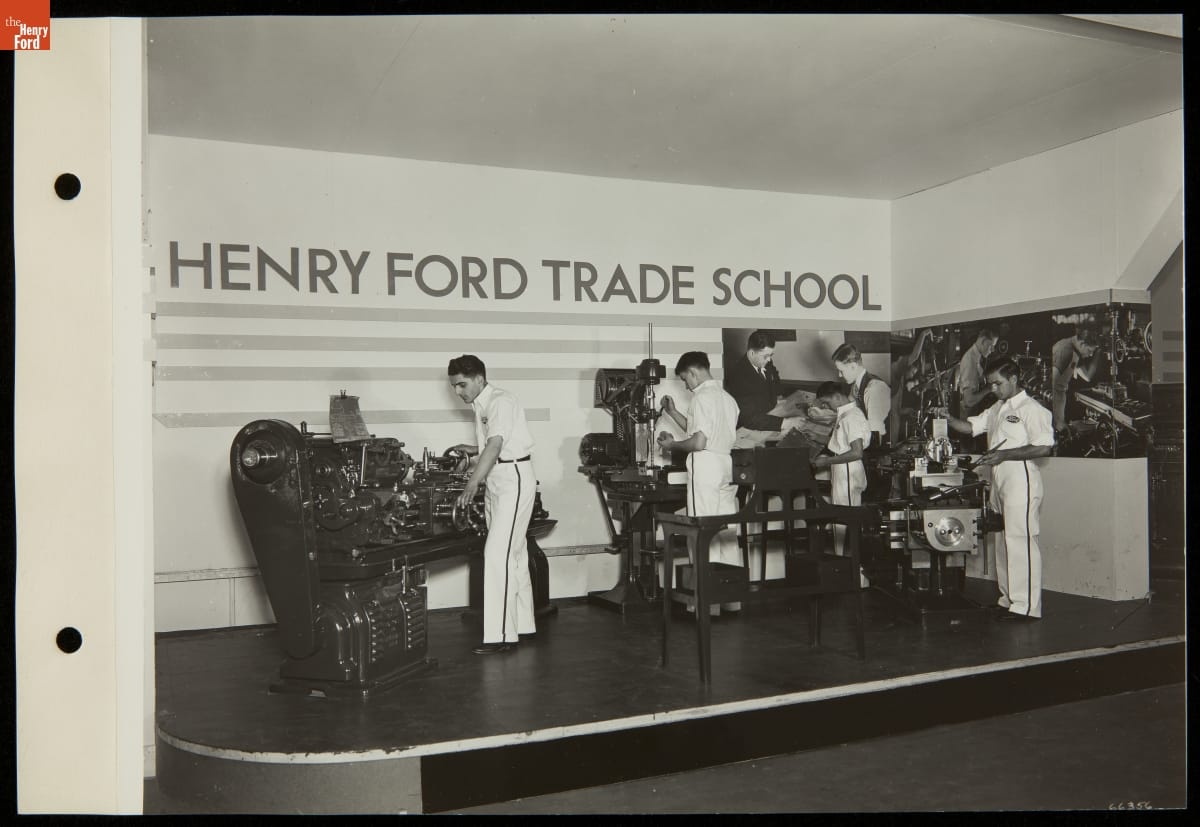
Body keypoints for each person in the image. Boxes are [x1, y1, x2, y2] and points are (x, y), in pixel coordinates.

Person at [937, 358, 1054, 621]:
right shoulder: (997, 408)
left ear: (1014, 379)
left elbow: (1044, 446)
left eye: (998, 384)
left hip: (1021, 480)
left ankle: (1026, 606)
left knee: (1020, 541)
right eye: (990, 384)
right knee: (1002, 541)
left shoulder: (1031, 409)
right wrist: (949, 418)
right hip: (1000, 481)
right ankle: (1008, 600)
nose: (993, 389)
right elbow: (971, 427)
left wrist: (1004, 454)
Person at [448, 355, 536, 655]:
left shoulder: (500, 401)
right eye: (454, 386)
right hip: (498, 478)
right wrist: (474, 450)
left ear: (479, 379)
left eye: (462, 385)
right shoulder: (481, 404)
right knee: (515, 554)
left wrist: (472, 482)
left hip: (512, 478)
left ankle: (500, 635)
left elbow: (497, 445)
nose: (457, 392)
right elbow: (496, 443)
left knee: (497, 554)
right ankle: (523, 624)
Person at [657, 351, 742, 615]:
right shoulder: (727, 399)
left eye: (685, 379)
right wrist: (673, 413)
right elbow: (701, 430)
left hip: (706, 467)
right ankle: (730, 600)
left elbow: (699, 442)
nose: (685, 385)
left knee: (702, 531)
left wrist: (672, 445)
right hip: (726, 465)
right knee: (726, 532)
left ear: (693, 372)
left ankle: (706, 604)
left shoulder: (701, 398)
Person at [809, 381, 871, 582]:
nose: (826, 407)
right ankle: (842, 569)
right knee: (840, 521)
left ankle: (855, 573)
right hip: (843, 469)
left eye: (827, 403)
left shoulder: (851, 417)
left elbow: (856, 452)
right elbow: (840, 444)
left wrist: (826, 461)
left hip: (848, 471)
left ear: (837, 397)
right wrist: (815, 436)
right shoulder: (845, 415)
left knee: (847, 522)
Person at [723, 330, 805, 434]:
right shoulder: (738, 376)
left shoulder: (765, 361)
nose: (769, 360)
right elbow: (749, 418)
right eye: (766, 356)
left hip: (770, 413)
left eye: (771, 355)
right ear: (752, 353)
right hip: (749, 426)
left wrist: (778, 394)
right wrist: (785, 423)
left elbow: (774, 376)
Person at [831, 342, 891, 448]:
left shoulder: (873, 388)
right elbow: (849, 407)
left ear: (853, 366)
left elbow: (876, 432)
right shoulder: (856, 384)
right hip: (868, 438)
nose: (839, 375)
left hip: (882, 444)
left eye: (841, 371)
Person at [1051, 327, 1103, 431]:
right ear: (1082, 344)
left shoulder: (1076, 350)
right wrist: (1059, 421)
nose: (1090, 355)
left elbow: (1087, 376)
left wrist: (1098, 352)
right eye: (1089, 351)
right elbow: (1056, 386)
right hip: (1054, 401)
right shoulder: (1066, 350)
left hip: (1061, 399)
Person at [889, 328, 934, 444]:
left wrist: (908, 410)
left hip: (893, 434)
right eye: (913, 371)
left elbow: (895, 410)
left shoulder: (899, 377)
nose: (913, 375)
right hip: (888, 434)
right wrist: (923, 334)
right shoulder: (895, 369)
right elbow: (914, 356)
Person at [956, 327, 999, 416]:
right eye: (991, 346)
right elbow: (968, 401)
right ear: (983, 341)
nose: (993, 350)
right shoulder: (970, 361)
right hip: (967, 416)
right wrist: (989, 389)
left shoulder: (976, 357)